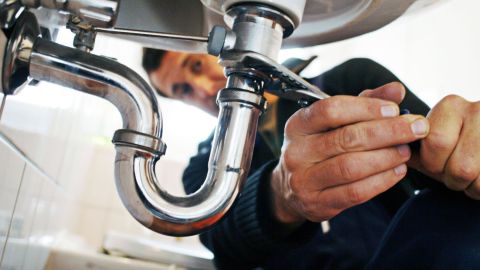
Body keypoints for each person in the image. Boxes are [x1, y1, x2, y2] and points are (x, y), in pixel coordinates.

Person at [142, 48, 480, 269]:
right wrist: (280, 196)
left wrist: (464, 144)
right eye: (182, 91)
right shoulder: (205, 168)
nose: (201, 88)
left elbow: (448, 168)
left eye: (196, 65)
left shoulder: (349, 83)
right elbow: (227, 247)